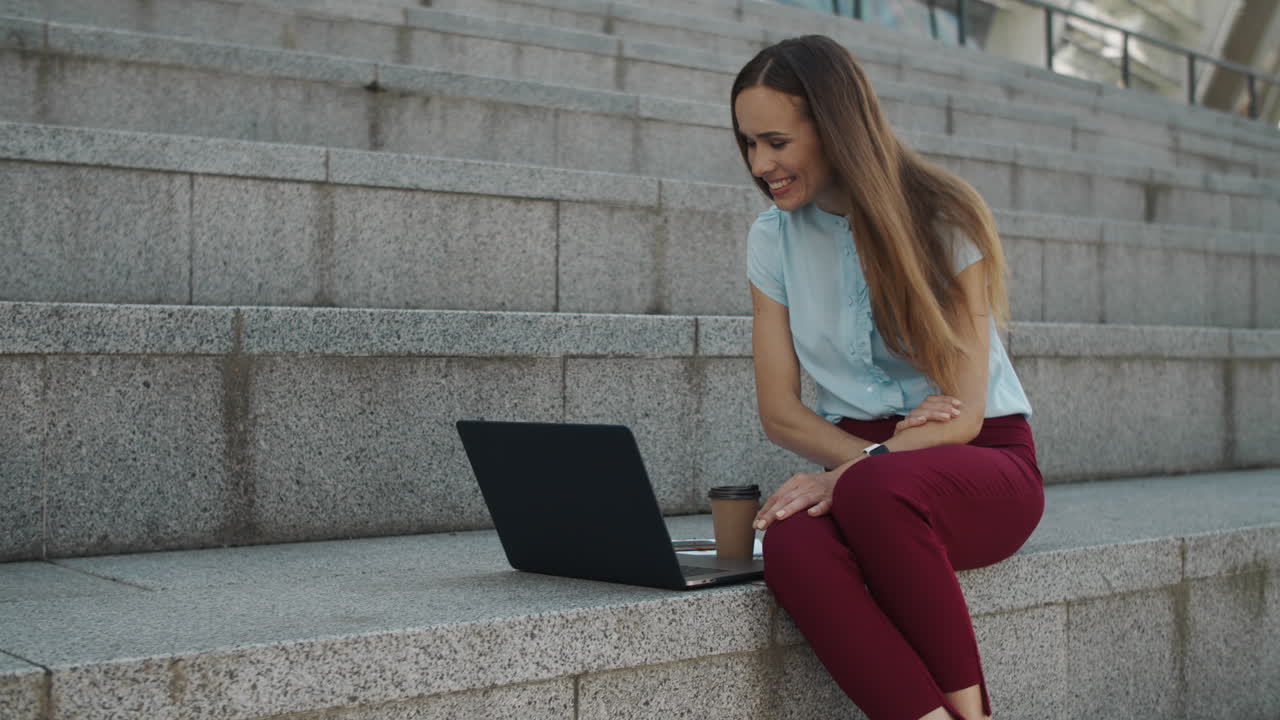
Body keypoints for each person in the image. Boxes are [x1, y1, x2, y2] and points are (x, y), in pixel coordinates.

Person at [732, 35, 1044, 720]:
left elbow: (961, 418)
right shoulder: (771, 239)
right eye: (750, 144)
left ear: (833, 123)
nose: (762, 165)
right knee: (789, 542)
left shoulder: (943, 215)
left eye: (777, 143)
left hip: (985, 461)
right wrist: (866, 463)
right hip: (874, 467)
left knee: (873, 492)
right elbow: (780, 413)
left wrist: (867, 470)